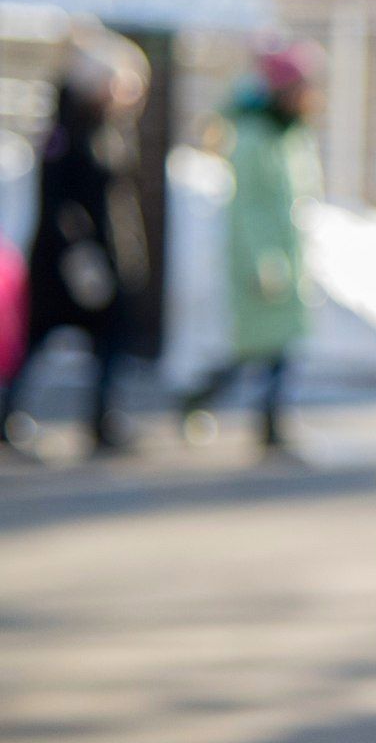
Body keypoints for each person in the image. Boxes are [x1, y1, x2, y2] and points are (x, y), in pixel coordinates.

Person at [0, 25, 154, 460]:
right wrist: (81, 256)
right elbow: (59, 202)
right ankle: (8, 412)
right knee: (40, 338)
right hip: (66, 261)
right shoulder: (67, 134)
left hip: (106, 257)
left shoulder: (110, 131)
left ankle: (102, 418)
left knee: (109, 343)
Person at [178, 39, 322, 459]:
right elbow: (249, 207)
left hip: (286, 254)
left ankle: (268, 421)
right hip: (263, 258)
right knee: (259, 348)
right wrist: (264, 259)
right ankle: (215, 404)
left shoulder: (290, 134)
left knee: (277, 347)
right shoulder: (255, 137)